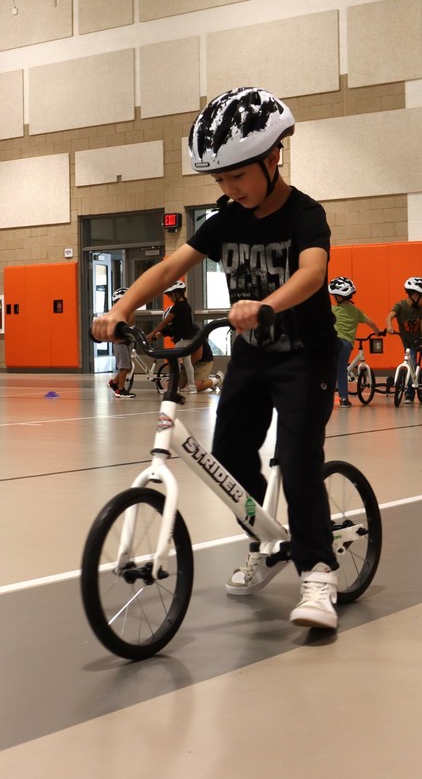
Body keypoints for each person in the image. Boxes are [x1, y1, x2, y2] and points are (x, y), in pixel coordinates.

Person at [93, 87, 342, 630]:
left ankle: (319, 572)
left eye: (239, 176)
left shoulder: (305, 214)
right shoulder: (226, 219)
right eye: (220, 181)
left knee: (298, 460)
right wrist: (120, 307)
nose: (229, 189)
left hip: (305, 356)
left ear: (274, 157)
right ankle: (266, 541)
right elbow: (167, 269)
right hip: (252, 358)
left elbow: (312, 273)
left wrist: (268, 304)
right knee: (228, 456)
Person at [329, 276, 382, 408]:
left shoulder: (334, 309)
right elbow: (370, 322)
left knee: (328, 369)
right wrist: (377, 331)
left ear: (339, 297)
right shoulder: (356, 311)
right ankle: (344, 399)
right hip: (346, 344)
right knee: (342, 370)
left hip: (332, 341)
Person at [146, 280, 197, 391]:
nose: (170, 298)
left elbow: (165, 323)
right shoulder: (186, 305)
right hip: (189, 338)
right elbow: (173, 327)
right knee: (187, 361)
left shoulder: (178, 306)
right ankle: (191, 385)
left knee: (174, 361)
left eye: (170, 296)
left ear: (176, 294)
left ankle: (174, 386)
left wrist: (152, 333)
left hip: (182, 339)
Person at [107, 287, 136, 398]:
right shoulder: (119, 314)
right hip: (121, 343)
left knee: (127, 368)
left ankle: (114, 383)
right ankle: (120, 389)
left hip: (125, 342)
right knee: (124, 367)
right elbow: (125, 326)